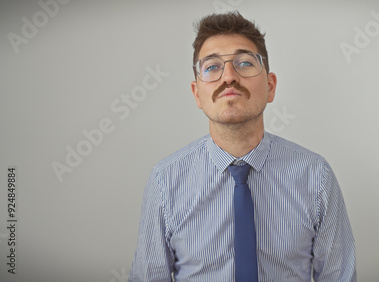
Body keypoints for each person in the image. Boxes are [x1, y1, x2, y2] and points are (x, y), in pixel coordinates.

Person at [129, 12, 356, 282]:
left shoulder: (316, 176)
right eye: (212, 67)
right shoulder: (164, 181)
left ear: (270, 87)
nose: (229, 77)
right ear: (197, 94)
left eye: (245, 62)